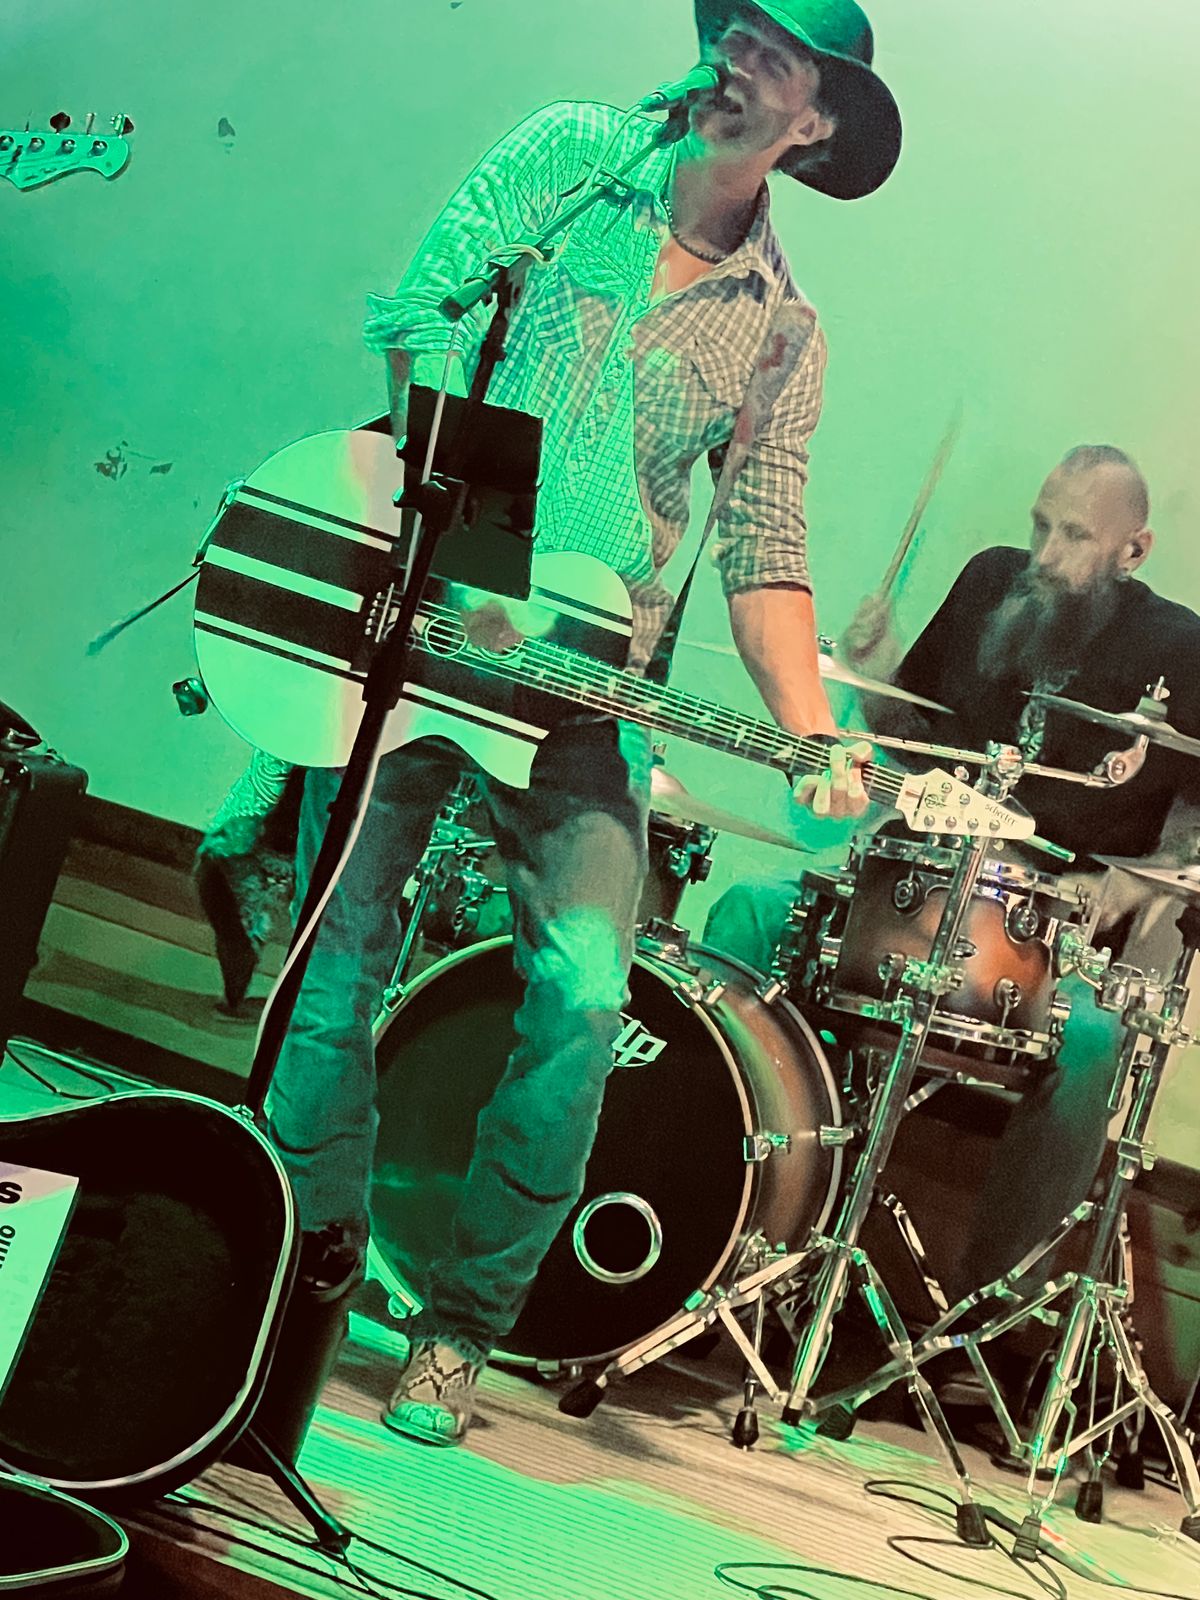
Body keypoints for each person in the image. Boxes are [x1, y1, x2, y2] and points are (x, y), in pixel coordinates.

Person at [264, 0, 902, 1446]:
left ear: (813, 127)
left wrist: (813, 730)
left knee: (581, 997)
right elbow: (420, 315)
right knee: (335, 955)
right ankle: (310, 1268)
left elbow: (765, 550)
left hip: (586, 689)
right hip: (427, 610)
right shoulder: (569, 157)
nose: (740, 55)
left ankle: (459, 1327)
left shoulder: (784, 330)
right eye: (739, 28)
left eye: (781, 55)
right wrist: (476, 551)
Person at [705, 444, 1200, 1375]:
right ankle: (718, 1229)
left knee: (1095, 1047)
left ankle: (984, 1327)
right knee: (747, 915)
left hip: (1039, 936)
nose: (1045, 554)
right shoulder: (988, 582)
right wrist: (870, 672)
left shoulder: (1181, 647)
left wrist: (1129, 885)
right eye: (1041, 524)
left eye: (1075, 536)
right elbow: (915, 740)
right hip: (907, 886)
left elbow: (1193, 840)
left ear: (1133, 550)